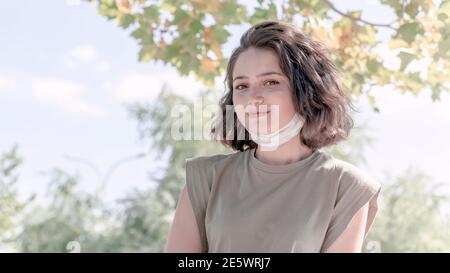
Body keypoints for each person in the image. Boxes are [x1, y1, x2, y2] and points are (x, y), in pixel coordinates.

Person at [165, 20, 381, 253]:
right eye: (241, 86)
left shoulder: (347, 188)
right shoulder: (204, 179)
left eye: (271, 82)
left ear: (305, 90)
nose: (253, 97)